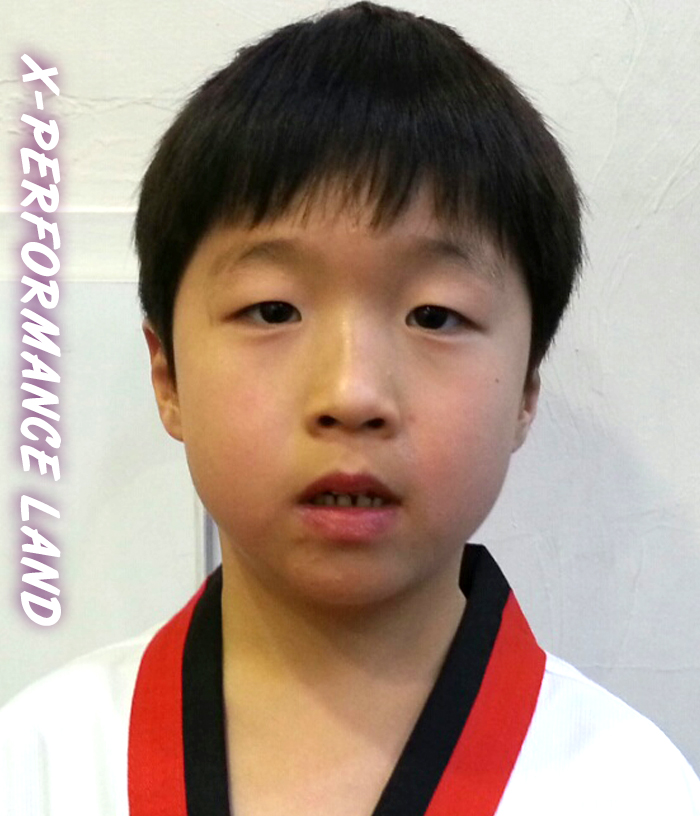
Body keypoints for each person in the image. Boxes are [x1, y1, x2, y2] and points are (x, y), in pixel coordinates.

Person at [1, 3, 699, 814]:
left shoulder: (630, 788)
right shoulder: (36, 762)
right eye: (272, 310)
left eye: (435, 316)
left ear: (525, 392)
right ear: (167, 376)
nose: (352, 394)